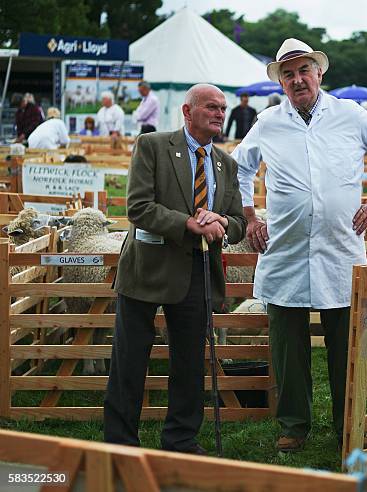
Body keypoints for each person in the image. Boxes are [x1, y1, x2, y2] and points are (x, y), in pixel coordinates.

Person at [232, 37, 367, 453]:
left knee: (345, 346)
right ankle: (294, 425)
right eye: (288, 74)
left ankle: (348, 422)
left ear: (319, 73)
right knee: (287, 346)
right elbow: (240, 166)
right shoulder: (268, 123)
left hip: (339, 248)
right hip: (286, 249)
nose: (297, 80)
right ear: (281, 81)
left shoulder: (350, 115)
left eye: (303, 71)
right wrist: (250, 216)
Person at [104, 84, 247, 454]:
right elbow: (137, 208)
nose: (219, 113)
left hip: (196, 272)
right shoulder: (153, 146)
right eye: (211, 107)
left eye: (223, 108)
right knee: (129, 361)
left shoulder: (226, 164)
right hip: (146, 270)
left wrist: (222, 222)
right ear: (187, 111)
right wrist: (188, 223)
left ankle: (181, 440)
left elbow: (237, 222)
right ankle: (120, 444)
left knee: (188, 364)